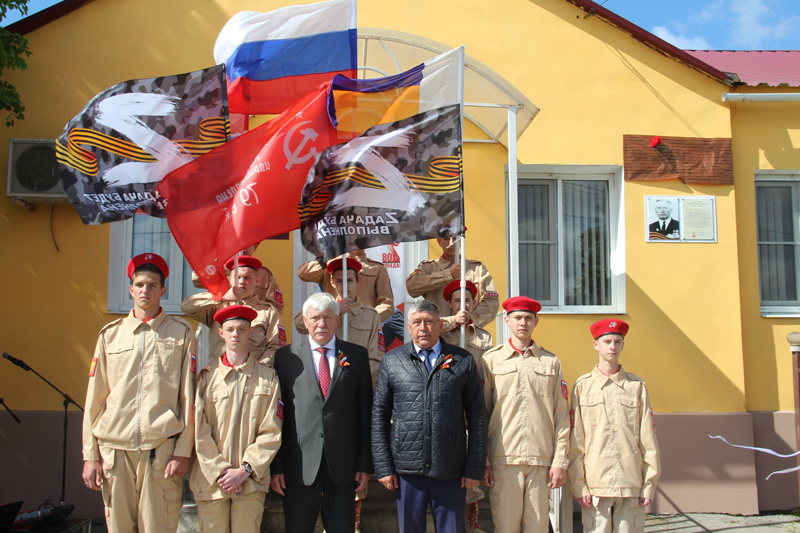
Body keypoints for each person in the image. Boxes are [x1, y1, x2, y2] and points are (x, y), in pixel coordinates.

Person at [82, 253, 195, 533]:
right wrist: (90, 456)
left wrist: (183, 451)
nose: (146, 291)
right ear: (130, 289)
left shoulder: (180, 334)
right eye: (140, 285)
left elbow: (188, 398)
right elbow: (94, 399)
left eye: (152, 285)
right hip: (115, 451)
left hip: (160, 452)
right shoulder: (110, 335)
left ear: (163, 291)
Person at [372, 300, 486, 533]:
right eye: (417, 322)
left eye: (429, 322)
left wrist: (474, 468)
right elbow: (379, 417)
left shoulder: (463, 361)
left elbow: (477, 417)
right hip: (406, 471)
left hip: (450, 470)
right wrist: (384, 467)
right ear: (409, 327)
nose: (424, 328)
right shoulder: (392, 361)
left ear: (440, 325)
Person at [270, 292, 373, 533]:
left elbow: (365, 412)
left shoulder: (356, 356)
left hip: (344, 466)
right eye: (315, 317)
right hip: (299, 464)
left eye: (328, 317)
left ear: (338, 320)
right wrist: (277, 467)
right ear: (304, 322)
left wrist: (364, 463)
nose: (321, 323)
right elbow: (276, 416)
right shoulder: (285, 357)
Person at [190, 305, 283, 533]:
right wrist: (220, 471)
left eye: (242, 329)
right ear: (220, 333)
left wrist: (245, 470)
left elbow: (272, 430)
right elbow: (198, 430)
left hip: (249, 482)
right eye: (230, 329)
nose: (235, 334)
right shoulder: (206, 378)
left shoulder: (268, 378)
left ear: (251, 332)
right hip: (211, 482)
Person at [481, 296, 570, 533]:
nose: (523, 323)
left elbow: (561, 416)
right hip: (504, 459)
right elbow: (482, 414)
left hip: (541, 461)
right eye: (518, 318)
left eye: (528, 318)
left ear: (536, 322)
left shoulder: (550, 362)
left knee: (537, 528)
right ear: (507, 321)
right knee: (506, 527)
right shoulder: (491, 360)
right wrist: (485, 460)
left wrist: (560, 461)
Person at [568, 319, 661, 533]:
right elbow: (576, 442)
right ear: (595, 345)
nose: (612, 346)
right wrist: (579, 484)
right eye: (607, 341)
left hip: (631, 484)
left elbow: (649, 441)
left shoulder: (636, 387)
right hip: (596, 483)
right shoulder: (583, 387)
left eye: (617, 342)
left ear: (622, 346)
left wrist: (649, 486)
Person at [439, 280, 493, 533]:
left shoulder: (483, 336)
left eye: (468, 301)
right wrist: (452, 321)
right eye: (458, 300)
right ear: (449, 304)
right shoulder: (440, 332)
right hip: (446, 409)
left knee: (473, 465)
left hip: (473, 407)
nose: (464, 305)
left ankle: (472, 521)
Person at [294, 256, 384, 384]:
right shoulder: (324, 308)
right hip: (326, 379)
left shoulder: (370, 315)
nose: (345, 286)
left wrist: (356, 381)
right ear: (332, 283)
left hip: (356, 382)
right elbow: (299, 325)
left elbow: (376, 359)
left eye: (349, 280)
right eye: (339, 281)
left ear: (358, 280)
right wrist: (334, 310)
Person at [182, 255, 285, 365]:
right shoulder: (217, 307)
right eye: (237, 277)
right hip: (220, 376)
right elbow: (187, 307)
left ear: (257, 281)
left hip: (253, 377)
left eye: (247, 278)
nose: (241, 282)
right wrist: (221, 297)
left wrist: (259, 368)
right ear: (230, 280)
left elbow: (276, 346)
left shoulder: (268, 312)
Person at [406, 236, 499, 329]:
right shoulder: (429, 268)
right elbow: (412, 288)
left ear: (461, 241)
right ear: (439, 242)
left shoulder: (477, 268)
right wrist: (448, 274)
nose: (451, 243)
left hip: (467, 334)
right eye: (446, 239)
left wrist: (471, 320)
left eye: (455, 239)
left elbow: (491, 301)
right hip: (439, 333)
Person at [298, 249, 394, 322]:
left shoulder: (377, 268)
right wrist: (331, 260)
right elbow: (303, 274)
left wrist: (368, 319)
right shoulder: (332, 264)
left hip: (362, 328)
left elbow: (387, 303)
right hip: (333, 323)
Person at [192, 242, 285, 312]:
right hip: (225, 323)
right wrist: (227, 267)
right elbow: (196, 278)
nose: (243, 248)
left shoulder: (265, 274)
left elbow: (277, 307)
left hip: (253, 326)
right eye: (238, 244)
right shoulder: (219, 270)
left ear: (255, 247)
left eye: (248, 243)